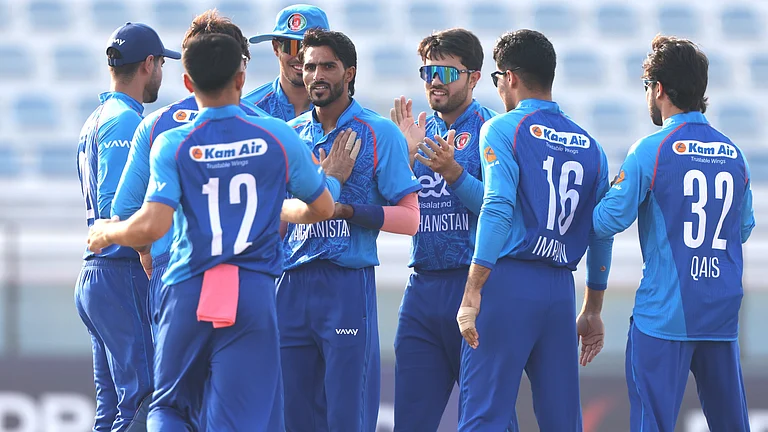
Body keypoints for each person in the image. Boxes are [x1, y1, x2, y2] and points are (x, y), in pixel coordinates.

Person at [86, 33, 347, 430]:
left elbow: (152, 224)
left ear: (188, 83)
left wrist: (108, 233)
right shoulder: (277, 135)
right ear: (241, 79)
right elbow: (321, 208)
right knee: (240, 418)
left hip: (187, 288)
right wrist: (281, 208)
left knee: (169, 408)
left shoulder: (173, 142)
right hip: (251, 291)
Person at [592, 35, 755, 432]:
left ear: (659, 89)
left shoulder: (651, 149)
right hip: (720, 312)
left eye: (647, 87)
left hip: (664, 315)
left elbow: (606, 222)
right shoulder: (734, 153)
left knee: (654, 424)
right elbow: (744, 228)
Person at [455, 29, 613, 431]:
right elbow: (600, 232)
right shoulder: (591, 145)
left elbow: (497, 206)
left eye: (496, 79)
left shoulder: (503, 128)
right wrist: (592, 309)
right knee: (562, 421)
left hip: (509, 282)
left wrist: (473, 287)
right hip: (561, 291)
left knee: (484, 416)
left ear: (509, 77)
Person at [279, 29, 422, 431]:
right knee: (293, 418)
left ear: (350, 72)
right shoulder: (289, 135)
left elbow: (411, 219)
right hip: (289, 286)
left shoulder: (379, 132)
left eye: (328, 66)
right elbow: (275, 218)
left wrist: (342, 208)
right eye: (309, 66)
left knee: (347, 416)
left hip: (345, 286)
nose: (317, 75)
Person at [112, 10, 271, 339]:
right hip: (246, 275)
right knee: (237, 387)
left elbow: (124, 212)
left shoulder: (156, 126)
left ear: (188, 68)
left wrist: (147, 249)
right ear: (242, 67)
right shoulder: (267, 129)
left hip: (174, 272)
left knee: (176, 388)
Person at [387, 28, 496, 431]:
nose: (435, 80)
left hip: (474, 287)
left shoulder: (491, 130)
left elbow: (498, 211)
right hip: (421, 289)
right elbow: (391, 205)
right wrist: (403, 156)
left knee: (487, 420)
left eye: (447, 72)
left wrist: (454, 173)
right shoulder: (417, 130)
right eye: (428, 71)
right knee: (411, 421)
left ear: (473, 78)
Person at [75, 22, 179, 432]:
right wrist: (147, 250)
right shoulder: (124, 121)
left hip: (97, 275)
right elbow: (115, 210)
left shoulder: (96, 117)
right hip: (120, 272)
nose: (161, 74)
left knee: (112, 410)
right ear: (148, 64)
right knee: (144, 399)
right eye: (161, 64)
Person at [244, 4, 330, 120]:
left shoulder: (341, 111)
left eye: (308, 48)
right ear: (275, 48)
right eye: (291, 46)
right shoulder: (248, 111)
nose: (301, 56)